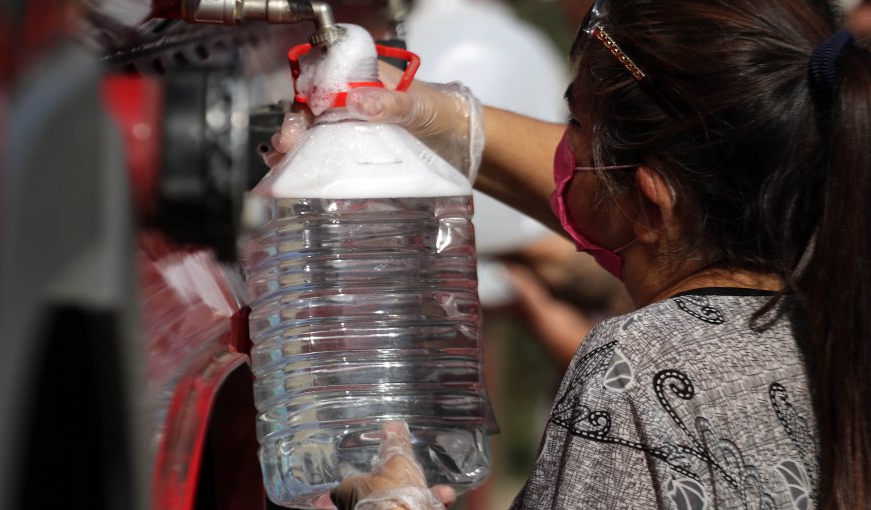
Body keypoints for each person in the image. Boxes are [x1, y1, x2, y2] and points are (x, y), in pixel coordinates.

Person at [268, 0, 871, 507]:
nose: (562, 151)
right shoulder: (832, 310)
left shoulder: (635, 368)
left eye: (575, 126)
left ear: (649, 207)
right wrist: (413, 110)